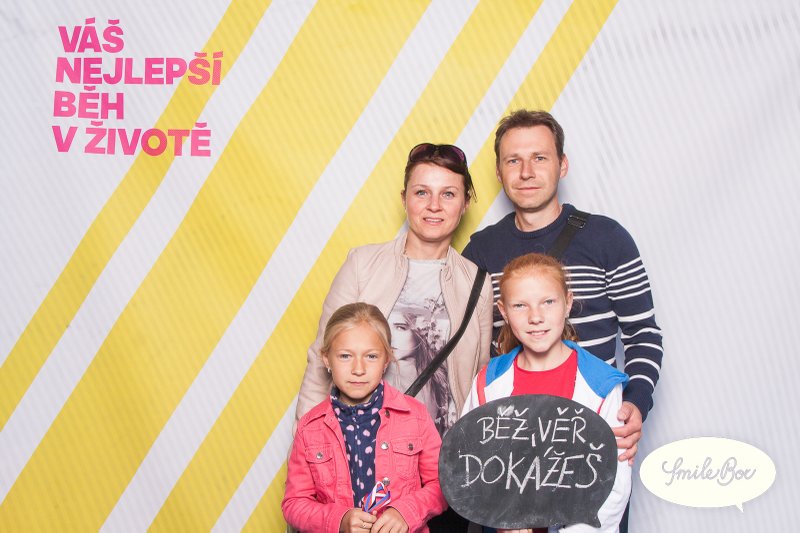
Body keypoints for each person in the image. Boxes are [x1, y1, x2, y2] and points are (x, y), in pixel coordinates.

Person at [296, 142, 493, 436]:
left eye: (448, 194)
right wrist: (307, 442)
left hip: (444, 448)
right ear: (404, 199)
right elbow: (321, 361)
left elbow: (479, 375)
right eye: (421, 192)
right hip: (364, 443)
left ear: (465, 204)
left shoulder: (477, 282)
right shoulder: (362, 265)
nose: (434, 205)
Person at [461, 254, 631, 533]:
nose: (535, 317)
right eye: (520, 306)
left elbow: (614, 483)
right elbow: (469, 459)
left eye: (548, 302)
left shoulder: (600, 384)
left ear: (568, 302)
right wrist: (503, 519)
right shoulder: (489, 380)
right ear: (503, 311)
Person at [283, 303, 447, 532]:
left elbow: (443, 484)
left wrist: (407, 512)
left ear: (386, 360)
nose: (358, 369)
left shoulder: (415, 416)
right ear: (326, 359)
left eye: (371, 356)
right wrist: (338, 520)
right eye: (345, 356)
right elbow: (294, 503)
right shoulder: (310, 427)